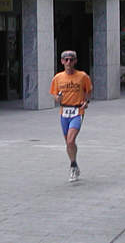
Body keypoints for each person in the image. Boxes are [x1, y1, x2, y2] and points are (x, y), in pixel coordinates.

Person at [50, 50, 92, 182]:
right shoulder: (57, 78)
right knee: (68, 143)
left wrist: (86, 102)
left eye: (71, 60)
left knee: (70, 140)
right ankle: (74, 163)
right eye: (66, 60)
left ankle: (72, 167)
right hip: (64, 112)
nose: (68, 62)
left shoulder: (82, 76)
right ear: (62, 62)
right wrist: (58, 98)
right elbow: (54, 95)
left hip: (77, 112)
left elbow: (88, 90)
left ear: (75, 61)